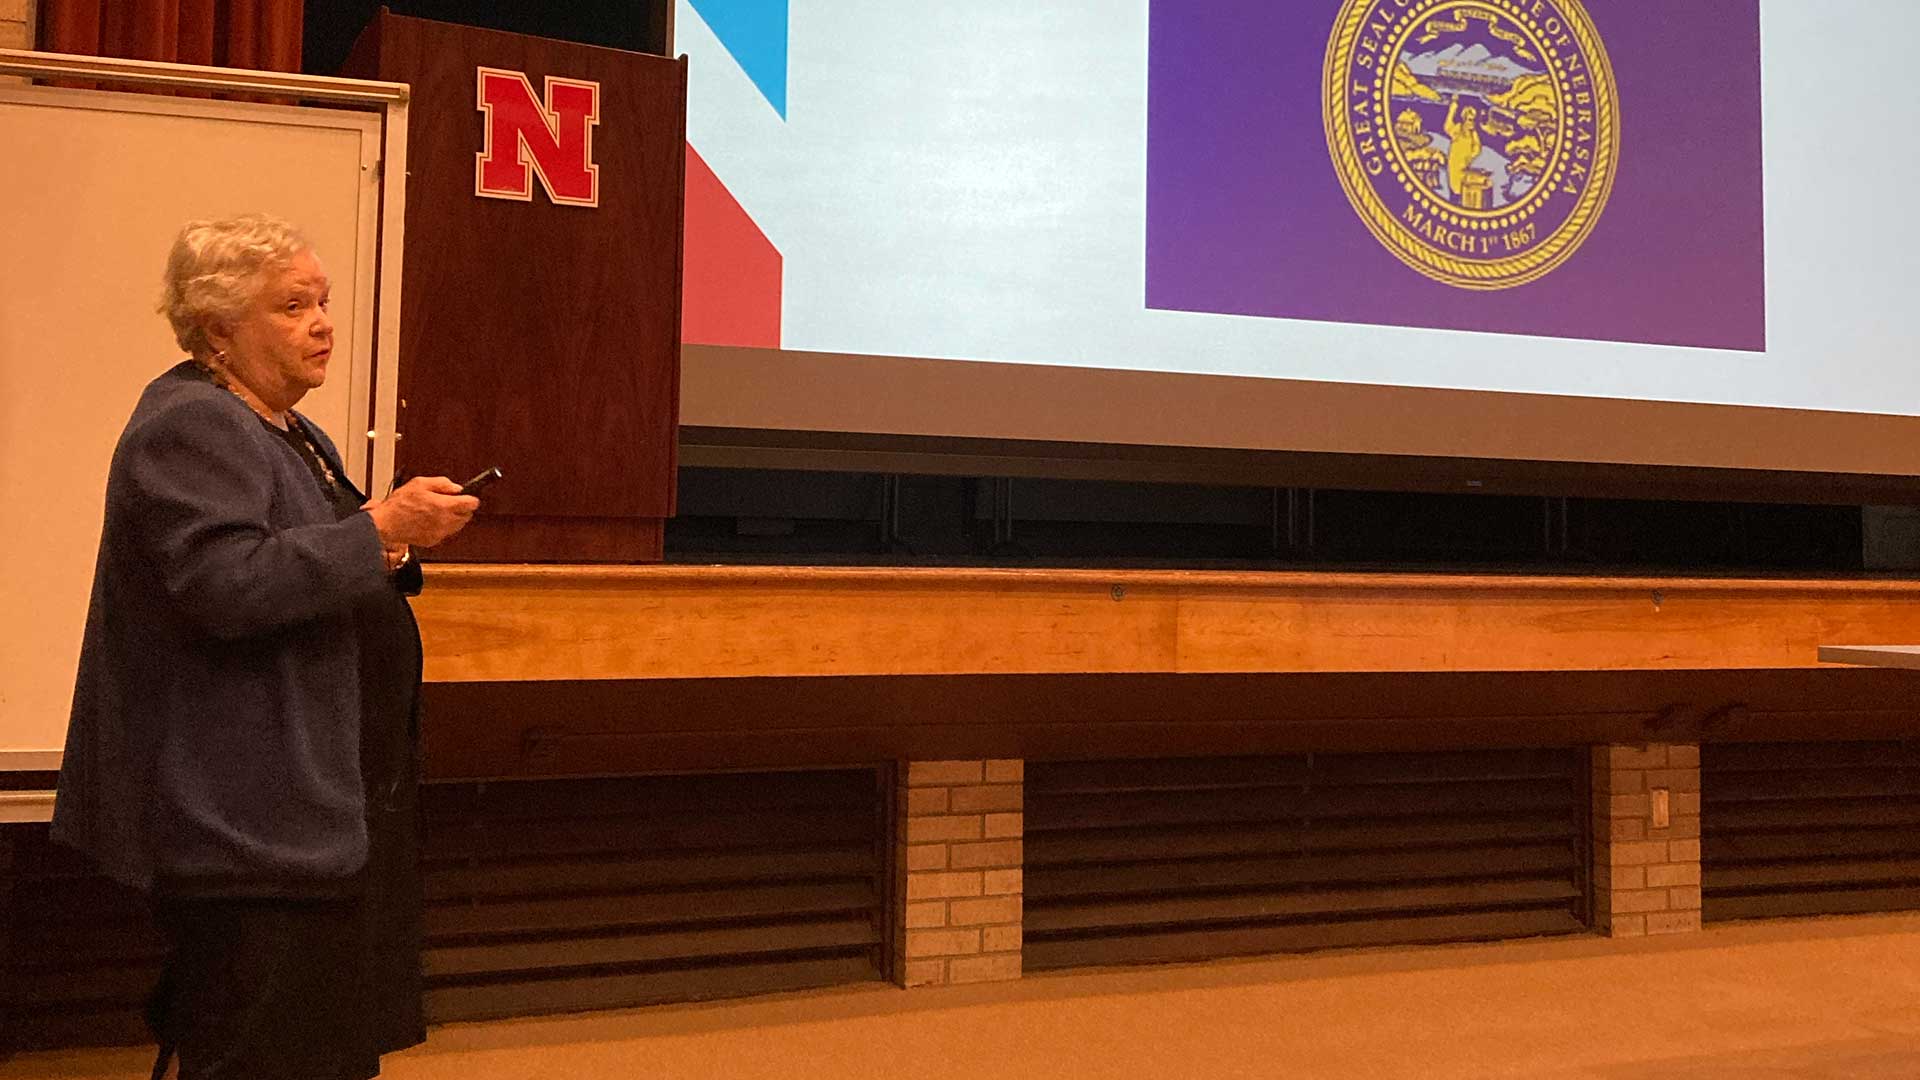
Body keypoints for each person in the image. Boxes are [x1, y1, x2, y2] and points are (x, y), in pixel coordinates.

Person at [51, 215, 478, 1080]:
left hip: (308, 814)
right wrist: (380, 530)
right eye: (293, 306)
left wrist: (393, 538)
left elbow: (323, 558)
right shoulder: (191, 426)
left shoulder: (292, 430)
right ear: (218, 328)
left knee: (323, 1053)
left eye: (322, 301)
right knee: (265, 1054)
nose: (323, 321)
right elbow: (226, 585)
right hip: (240, 823)